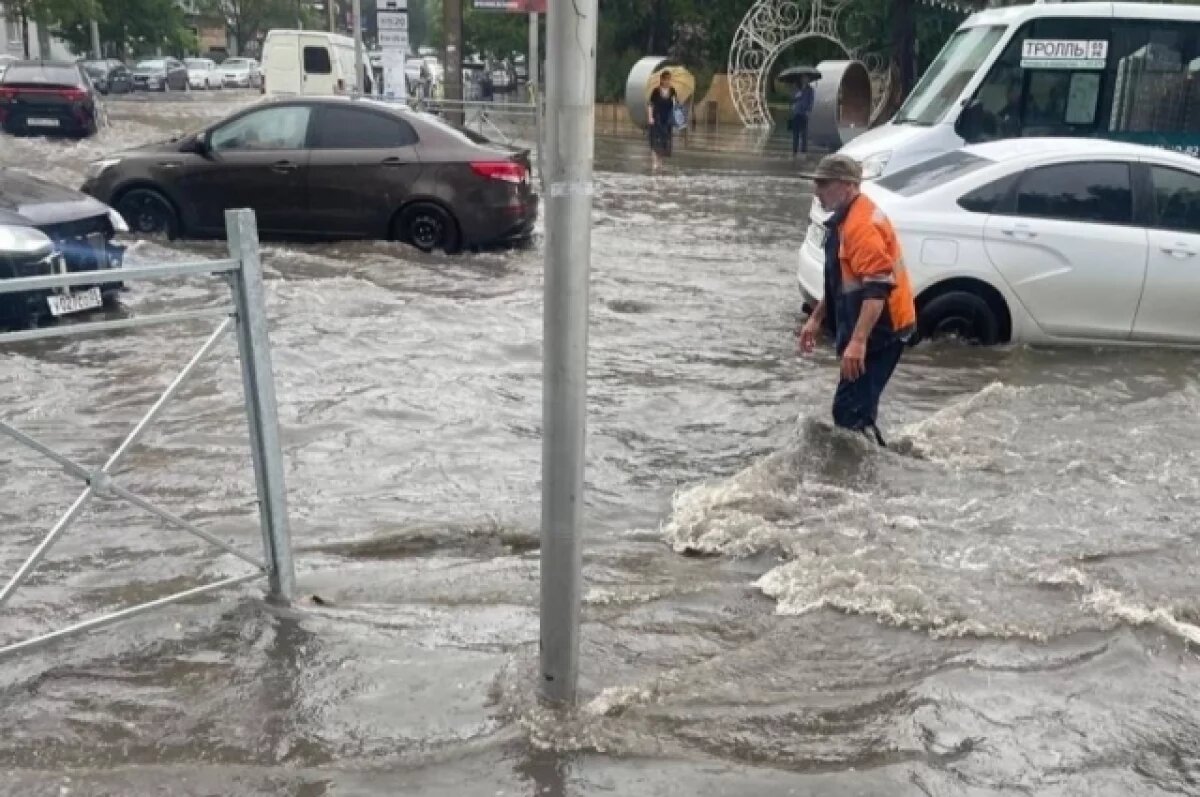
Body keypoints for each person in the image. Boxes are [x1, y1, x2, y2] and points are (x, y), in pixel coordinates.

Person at [797, 154, 917, 446]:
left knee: (849, 412)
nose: (817, 191)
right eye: (816, 183)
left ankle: (868, 466)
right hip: (870, 327)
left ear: (848, 186)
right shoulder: (843, 220)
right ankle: (878, 460)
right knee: (853, 410)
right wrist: (817, 317)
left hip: (883, 331)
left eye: (824, 184)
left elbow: (877, 291)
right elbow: (841, 282)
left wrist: (858, 342)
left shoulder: (861, 226)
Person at [647, 70, 678, 170]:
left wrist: (675, 103)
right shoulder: (656, 91)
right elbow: (650, 105)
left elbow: (676, 105)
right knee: (655, 141)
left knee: (664, 142)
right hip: (656, 118)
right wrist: (650, 117)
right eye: (666, 79)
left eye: (669, 79)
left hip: (667, 120)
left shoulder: (672, 91)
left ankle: (660, 162)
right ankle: (654, 162)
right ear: (662, 80)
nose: (668, 81)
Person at [790, 75, 815, 155]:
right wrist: (796, 97)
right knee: (795, 133)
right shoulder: (796, 88)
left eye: (806, 78)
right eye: (803, 78)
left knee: (804, 133)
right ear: (801, 79)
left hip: (804, 113)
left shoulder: (810, 89)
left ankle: (803, 151)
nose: (805, 79)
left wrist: (809, 110)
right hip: (795, 112)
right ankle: (794, 150)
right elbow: (791, 99)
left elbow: (811, 101)